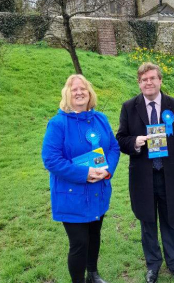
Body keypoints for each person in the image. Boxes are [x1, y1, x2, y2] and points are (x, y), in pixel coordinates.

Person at [116, 62, 174, 283]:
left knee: (171, 221)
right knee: (147, 222)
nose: (148, 82)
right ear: (139, 84)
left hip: (169, 176)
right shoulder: (129, 107)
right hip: (143, 178)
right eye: (143, 80)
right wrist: (135, 142)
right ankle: (153, 265)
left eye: (152, 78)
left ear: (160, 80)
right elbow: (120, 139)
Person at [42, 74, 120, 283]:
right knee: (79, 243)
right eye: (73, 89)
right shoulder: (58, 124)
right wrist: (84, 174)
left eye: (83, 89)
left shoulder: (100, 119)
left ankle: (92, 274)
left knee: (94, 235)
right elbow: (51, 160)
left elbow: (113, 147)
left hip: (98, 191)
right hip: (72, 195)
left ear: (89, 93)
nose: (79, 92)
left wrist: (108, 170)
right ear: (67, 94)